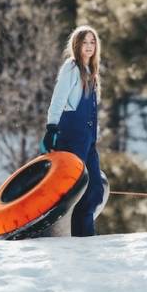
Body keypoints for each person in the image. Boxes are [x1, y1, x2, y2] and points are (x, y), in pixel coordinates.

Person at [42, 26, 106, 237]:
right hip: (72, 136)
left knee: (95, 190)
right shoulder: (71, 68)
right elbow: (59, 99)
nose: (89, 47)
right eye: (85, 42)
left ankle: (84, 238)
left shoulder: (92, 72)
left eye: (92, 42)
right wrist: (51, 128)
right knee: (77, 190)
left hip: (88, 140)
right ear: (77, 45)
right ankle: (81, 240)